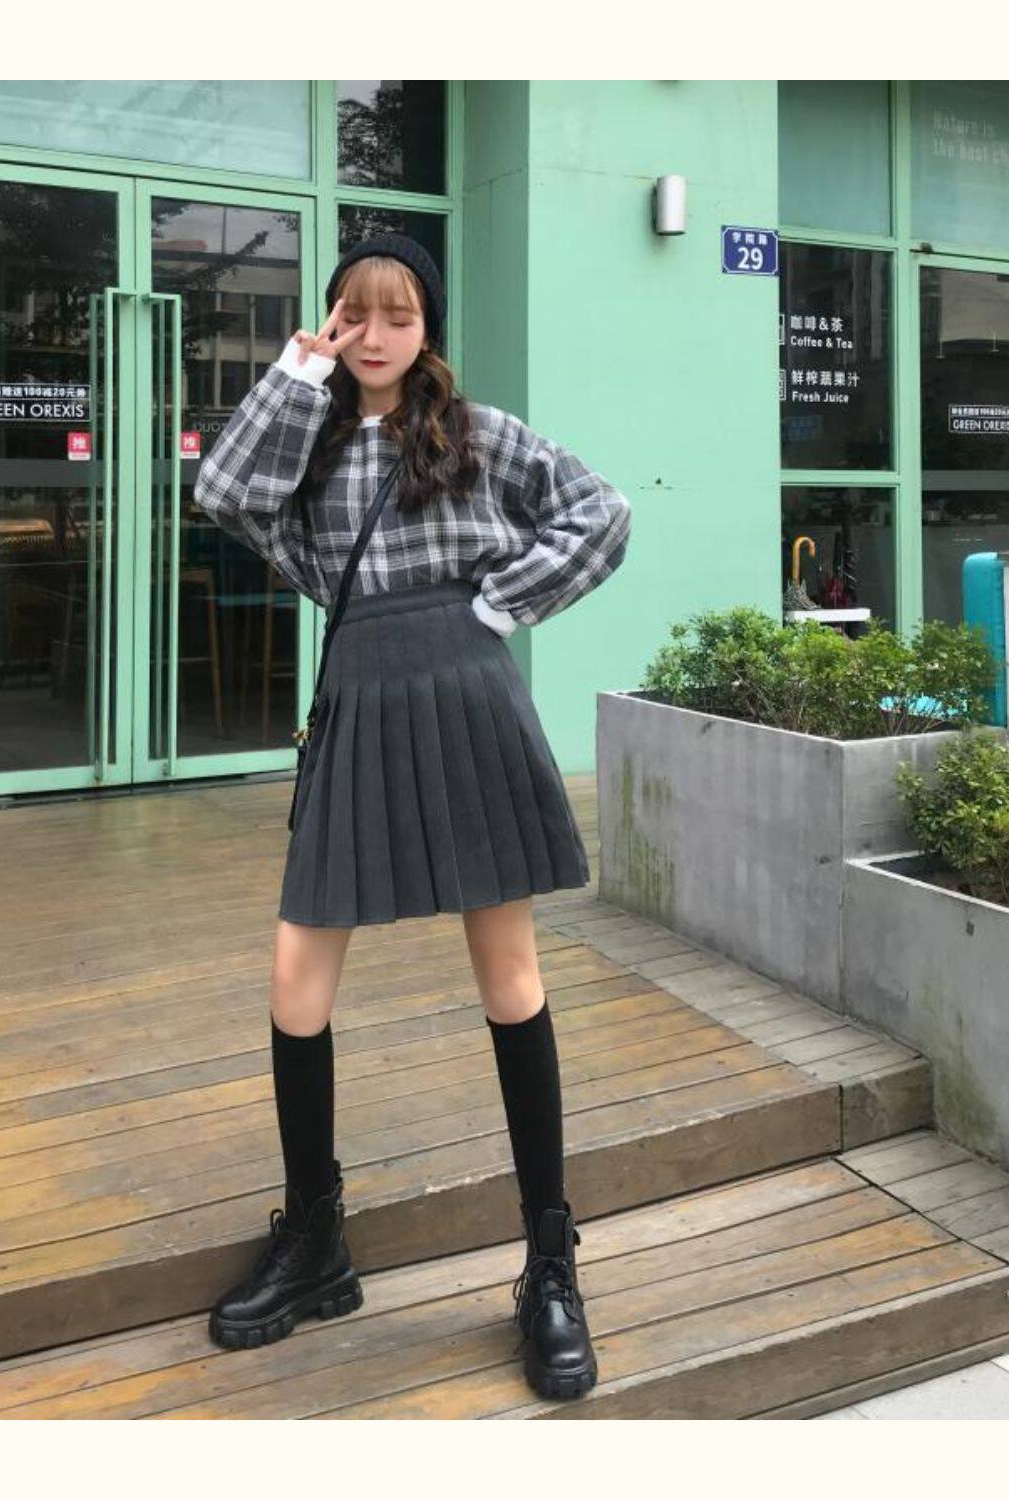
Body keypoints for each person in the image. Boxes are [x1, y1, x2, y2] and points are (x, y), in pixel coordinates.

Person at [191, 233, 633, 1401]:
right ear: (333, 322)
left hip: (465, 690)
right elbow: (221, 493)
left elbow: (600, 511)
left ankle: (550, 1265)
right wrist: (297, 371)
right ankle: (316, 1241)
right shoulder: (309, 436)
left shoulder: (478, 433)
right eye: (356, 314)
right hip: (359, 696)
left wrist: (500, 605)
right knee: (296, 973)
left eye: (398, 316)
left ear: (427, 327)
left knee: (509, 975)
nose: (376, 336)